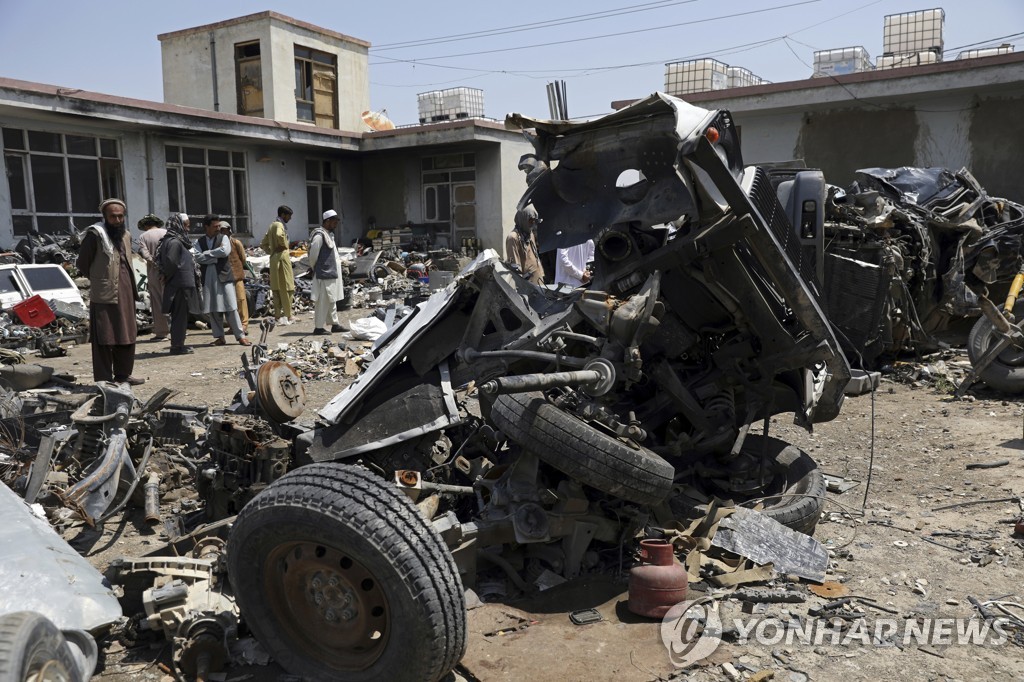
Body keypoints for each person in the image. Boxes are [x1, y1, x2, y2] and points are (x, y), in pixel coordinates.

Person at [77, 199, 143, 385]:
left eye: (121, 216)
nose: (117, 220)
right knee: (105, 337)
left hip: (127, 292)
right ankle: (104, 379)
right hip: (105, 294)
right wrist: (100, 278)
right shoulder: (95, 235)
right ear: (105, 217)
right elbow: (82, 264)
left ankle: (123, 375)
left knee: (127, 334)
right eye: (113, 216)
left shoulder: (126, 235)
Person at [195, 215, 250, 346]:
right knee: (213, 309)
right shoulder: (200, 241)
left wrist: (207, 255)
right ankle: (220, 337)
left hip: (224, 276)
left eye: (218, 226)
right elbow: (197, 257)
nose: (218, 228)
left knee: (231, 306)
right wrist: (215, 256)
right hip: (208, 277)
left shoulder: (224, 238)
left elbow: (225, 251)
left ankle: (240, 336)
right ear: (206, 227)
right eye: (215, 226)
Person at [158, 214, 199, 355]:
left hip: (179, 283)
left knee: (180, 316)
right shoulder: (174, 242)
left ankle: (178, 344)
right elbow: (171, 263)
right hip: (178, 284)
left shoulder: (176, 241)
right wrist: (167, 276)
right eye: (186, 225)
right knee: (179, 316)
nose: (188, 229)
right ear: (178, 225)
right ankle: (177, 346)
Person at [309, 209, 348, 335]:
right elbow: (313, 256)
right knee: (323, 301)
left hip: (331, 273)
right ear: (327, 221)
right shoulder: (319, 236)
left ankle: (334, 324)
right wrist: (316, 268)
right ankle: (318, 327)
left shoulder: (328, 234)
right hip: (324, 274)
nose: (336, 224)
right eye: (334, 221)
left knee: (332, 300)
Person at [260, 205, 296, 325]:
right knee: (287, 287)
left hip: (275, 259)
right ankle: (289, 315)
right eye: (289, 216)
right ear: (283, 215)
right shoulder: (279, 225)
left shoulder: (271, 225)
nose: (289, 218)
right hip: (282, 258)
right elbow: (280, 236)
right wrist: (283, 246)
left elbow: (263, 243)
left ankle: (277, 315)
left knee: (276, 288)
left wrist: (271, 252)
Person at [137, 214, 169, 341]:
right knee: (172, 299)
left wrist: (156, 265)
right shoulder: (167, 233)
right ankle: (177, 330)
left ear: (145, 225)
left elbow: (145, 255)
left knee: (157, 301)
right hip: (170, 271)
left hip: (154, 273)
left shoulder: (143, 236)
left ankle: (162, 332)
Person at [504, 205, 545, 286]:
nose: (532, 224)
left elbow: (535, 257)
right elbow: (515, 266)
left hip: (538, 278)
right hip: (526, 283)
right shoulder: (513, 238)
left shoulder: (530, 234)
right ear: (523, 219)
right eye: (530, 221)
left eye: (534, 221)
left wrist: (541, 273)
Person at [220, 221, 249, 334]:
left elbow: (243, 259)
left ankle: (244, 324)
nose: (223, 233)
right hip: (225, 278)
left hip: (237, 276)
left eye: (225, 230)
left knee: (241, 300)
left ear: (229, 230)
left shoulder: (236, 243)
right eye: (221, 231)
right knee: (228, 303)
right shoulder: (218, 245)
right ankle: (233, 326)